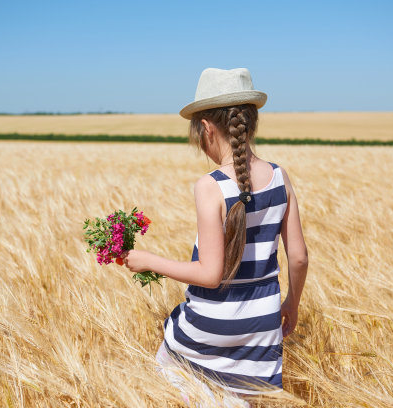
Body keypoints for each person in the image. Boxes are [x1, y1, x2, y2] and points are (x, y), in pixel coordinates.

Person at [122, 67, 309, 403]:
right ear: (250, 124)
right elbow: (299, 257)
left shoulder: (210, 187)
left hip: (211, 327)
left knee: (167, 364)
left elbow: (209, 274)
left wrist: (148, 260)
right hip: (262, 331)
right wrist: (291, 306)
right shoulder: (282, 178)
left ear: (206, 128)